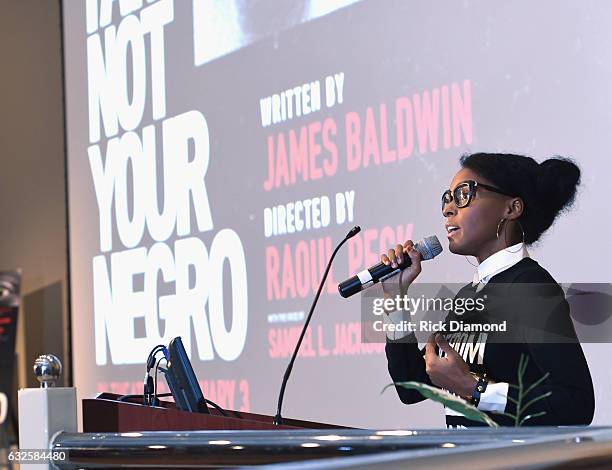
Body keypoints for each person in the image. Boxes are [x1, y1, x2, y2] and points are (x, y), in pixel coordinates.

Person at [382, 153, 594, 427]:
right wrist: (394, 297)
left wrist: (474, 389)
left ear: (511, 208)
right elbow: (411, 387)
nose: (448, 209)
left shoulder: (530, 289)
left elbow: (576, 404)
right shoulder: (469, 296)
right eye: (447, 198)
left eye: (463, 194)